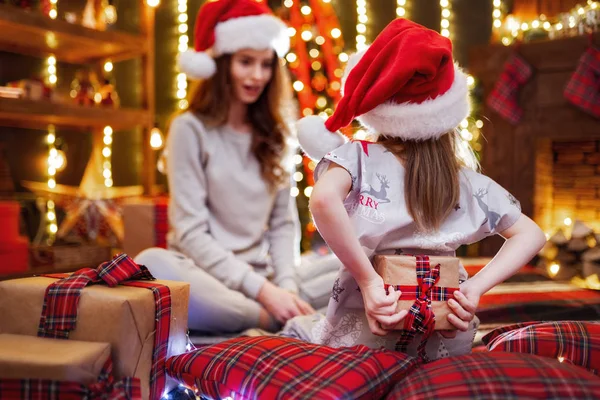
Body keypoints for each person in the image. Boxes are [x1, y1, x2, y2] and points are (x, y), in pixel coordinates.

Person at [284, 19, 546, 361]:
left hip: (361, 335)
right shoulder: (465, 180)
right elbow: (532, 234)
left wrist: (368, 280)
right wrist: (472, 290)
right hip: (444, 340)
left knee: (296, 327)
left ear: (378, 109)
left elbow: (321, 201)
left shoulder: (356, 157)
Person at [135, 0, 340, 334]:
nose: (257, 75)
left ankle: (279, 311)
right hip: (208, 277)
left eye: (265, 64)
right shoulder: (189, 129)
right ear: (222, 61)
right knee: (151, 264)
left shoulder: (278, 132)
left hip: (265, 277)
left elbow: (283, 225)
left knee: (356, 264)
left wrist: (284, 288)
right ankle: (267, 318)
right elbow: (190, 233)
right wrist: (265, 295)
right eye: (246, 62)